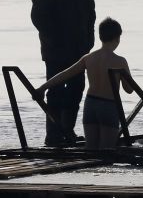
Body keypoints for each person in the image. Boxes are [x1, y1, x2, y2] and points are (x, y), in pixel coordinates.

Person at [31, 0, 97, 147]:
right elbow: (38, 16)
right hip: (56, 50)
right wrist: (53, 39)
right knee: (56, 91)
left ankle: (67, 131)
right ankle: (54, 135)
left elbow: (90, 15)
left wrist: (88, 41)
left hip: (79, 50)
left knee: (77, 89)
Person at [34, 18, 132, 150]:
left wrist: (43, 88)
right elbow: (129, 89)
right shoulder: (120, 61)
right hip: (109, 106)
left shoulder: (89, 58)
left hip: (91, 105)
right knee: (107, 152)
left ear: (100, 36)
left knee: (91, 151)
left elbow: (65, 74)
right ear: (117, 38)